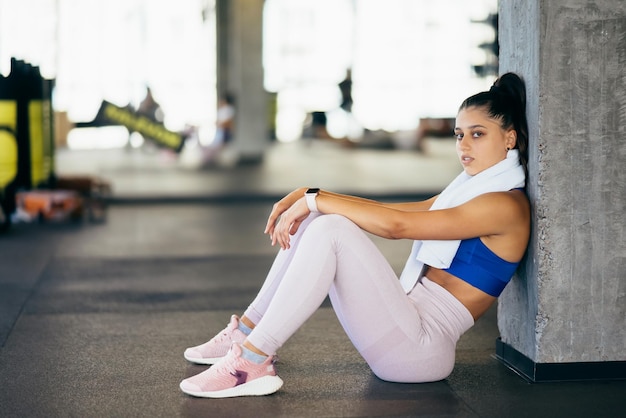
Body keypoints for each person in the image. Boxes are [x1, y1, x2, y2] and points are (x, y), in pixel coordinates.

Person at [179, 72, 530, 398]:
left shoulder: (504, 206)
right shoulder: (471, 192)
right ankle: (246, 335)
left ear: (509, 137)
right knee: (320, 219)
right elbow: (399, 212)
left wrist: (316, 200)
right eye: (459, 134)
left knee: (330, 225)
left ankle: (251, 363)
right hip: (405, 323)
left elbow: (397, 227)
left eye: (478, 133)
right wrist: (314, 196)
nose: (464, 145)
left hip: (420, 349)